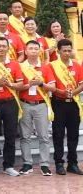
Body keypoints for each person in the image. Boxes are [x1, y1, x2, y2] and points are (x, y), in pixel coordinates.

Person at [0, 36, 24, 176]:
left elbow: (20, 84)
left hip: (10, 102)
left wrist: (10, 84)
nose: (1, 49)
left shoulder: (14, 64)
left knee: (10, 134)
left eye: (4, 46)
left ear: (8, 48)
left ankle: (9, 165)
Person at [45, 38, 83, 175]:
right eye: (64, 51)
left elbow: (81, 84)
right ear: (58, 51)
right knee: (58, 134)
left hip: (73, 104)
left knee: (73, 135)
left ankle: (72, 164)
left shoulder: (78, 66)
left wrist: (73, 93)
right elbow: (52, 86)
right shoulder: (51, 66)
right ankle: (59, 163)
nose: (67, 53)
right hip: (58, 103)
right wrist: (64, 93)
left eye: (69, 50)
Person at [17, 40, 53, 176]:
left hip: (41, 104)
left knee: (43, 136)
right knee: (25, 136)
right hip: (24, 103)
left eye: (35, 49)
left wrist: (41, 83)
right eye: (30, 48)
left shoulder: (46, 67)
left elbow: (53, 87)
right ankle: (27, 163)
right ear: (25, 51)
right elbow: (15, 86)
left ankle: (44, 164)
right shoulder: (20, 67)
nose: (33, 51)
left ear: (39, 51)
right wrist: (28, 85)